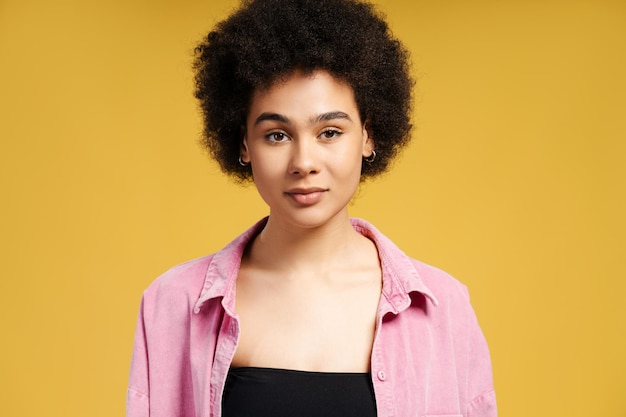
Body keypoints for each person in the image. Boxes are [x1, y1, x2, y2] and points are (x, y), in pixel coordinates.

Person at [126, 0, 497, 416]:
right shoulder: (173, 304)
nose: (304, 162)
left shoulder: (442, 308)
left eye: (330, 131)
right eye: (277, 135)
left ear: (368, 136)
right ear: (244, 143)